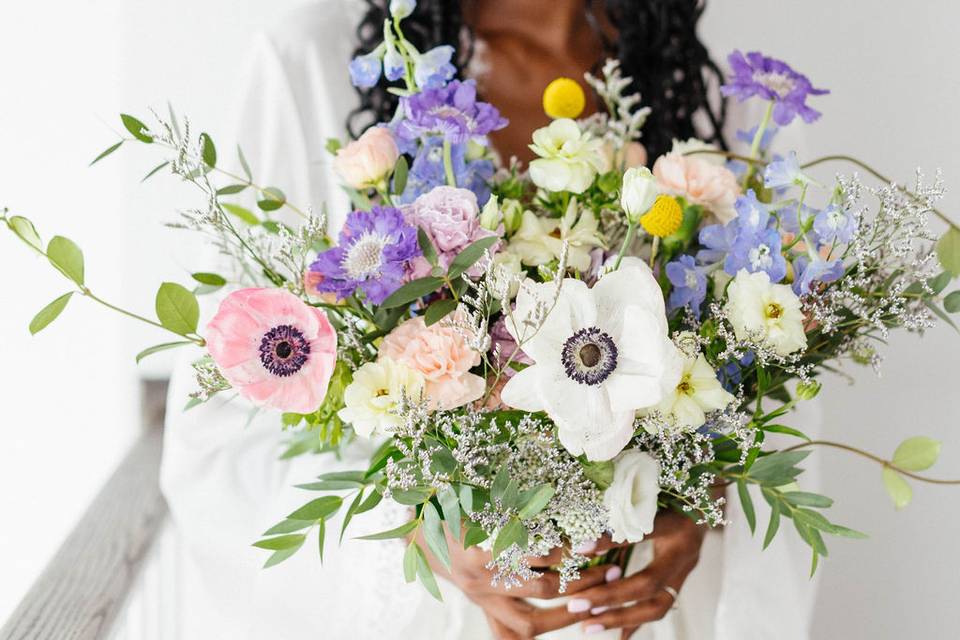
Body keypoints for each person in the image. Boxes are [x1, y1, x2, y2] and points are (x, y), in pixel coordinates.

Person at [161, 1, 821, 638]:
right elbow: (217, 436)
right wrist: (415, 533)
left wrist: (702, 513)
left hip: (642, 614)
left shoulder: (726, 102)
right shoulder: (309, 64)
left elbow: (779, 389)